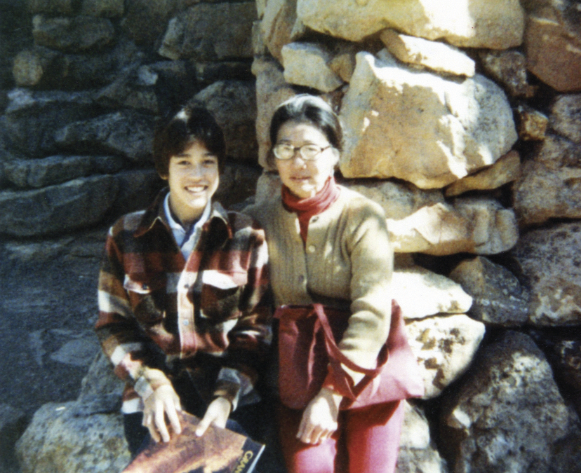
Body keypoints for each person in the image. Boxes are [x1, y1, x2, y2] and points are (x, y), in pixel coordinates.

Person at [245, 94, 417, 473]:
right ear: (273, 157)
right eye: (285, 149)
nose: (298, 161)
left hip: (368, 371)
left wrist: (333, 393)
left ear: (334, 155)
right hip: (296, 374)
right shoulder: (256, 222)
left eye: (310, 148)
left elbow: (372, 310)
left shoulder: (362, 217)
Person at [95, 103, 272, 457]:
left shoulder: (246, 235)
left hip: (228, 399)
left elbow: (256, 329)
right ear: (164, 169)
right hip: (157, 402)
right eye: (183, 162)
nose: (197, 174)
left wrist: (225, 398)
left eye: (207, 161)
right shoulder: (126, 234)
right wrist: (152, 385)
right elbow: (113, 325)